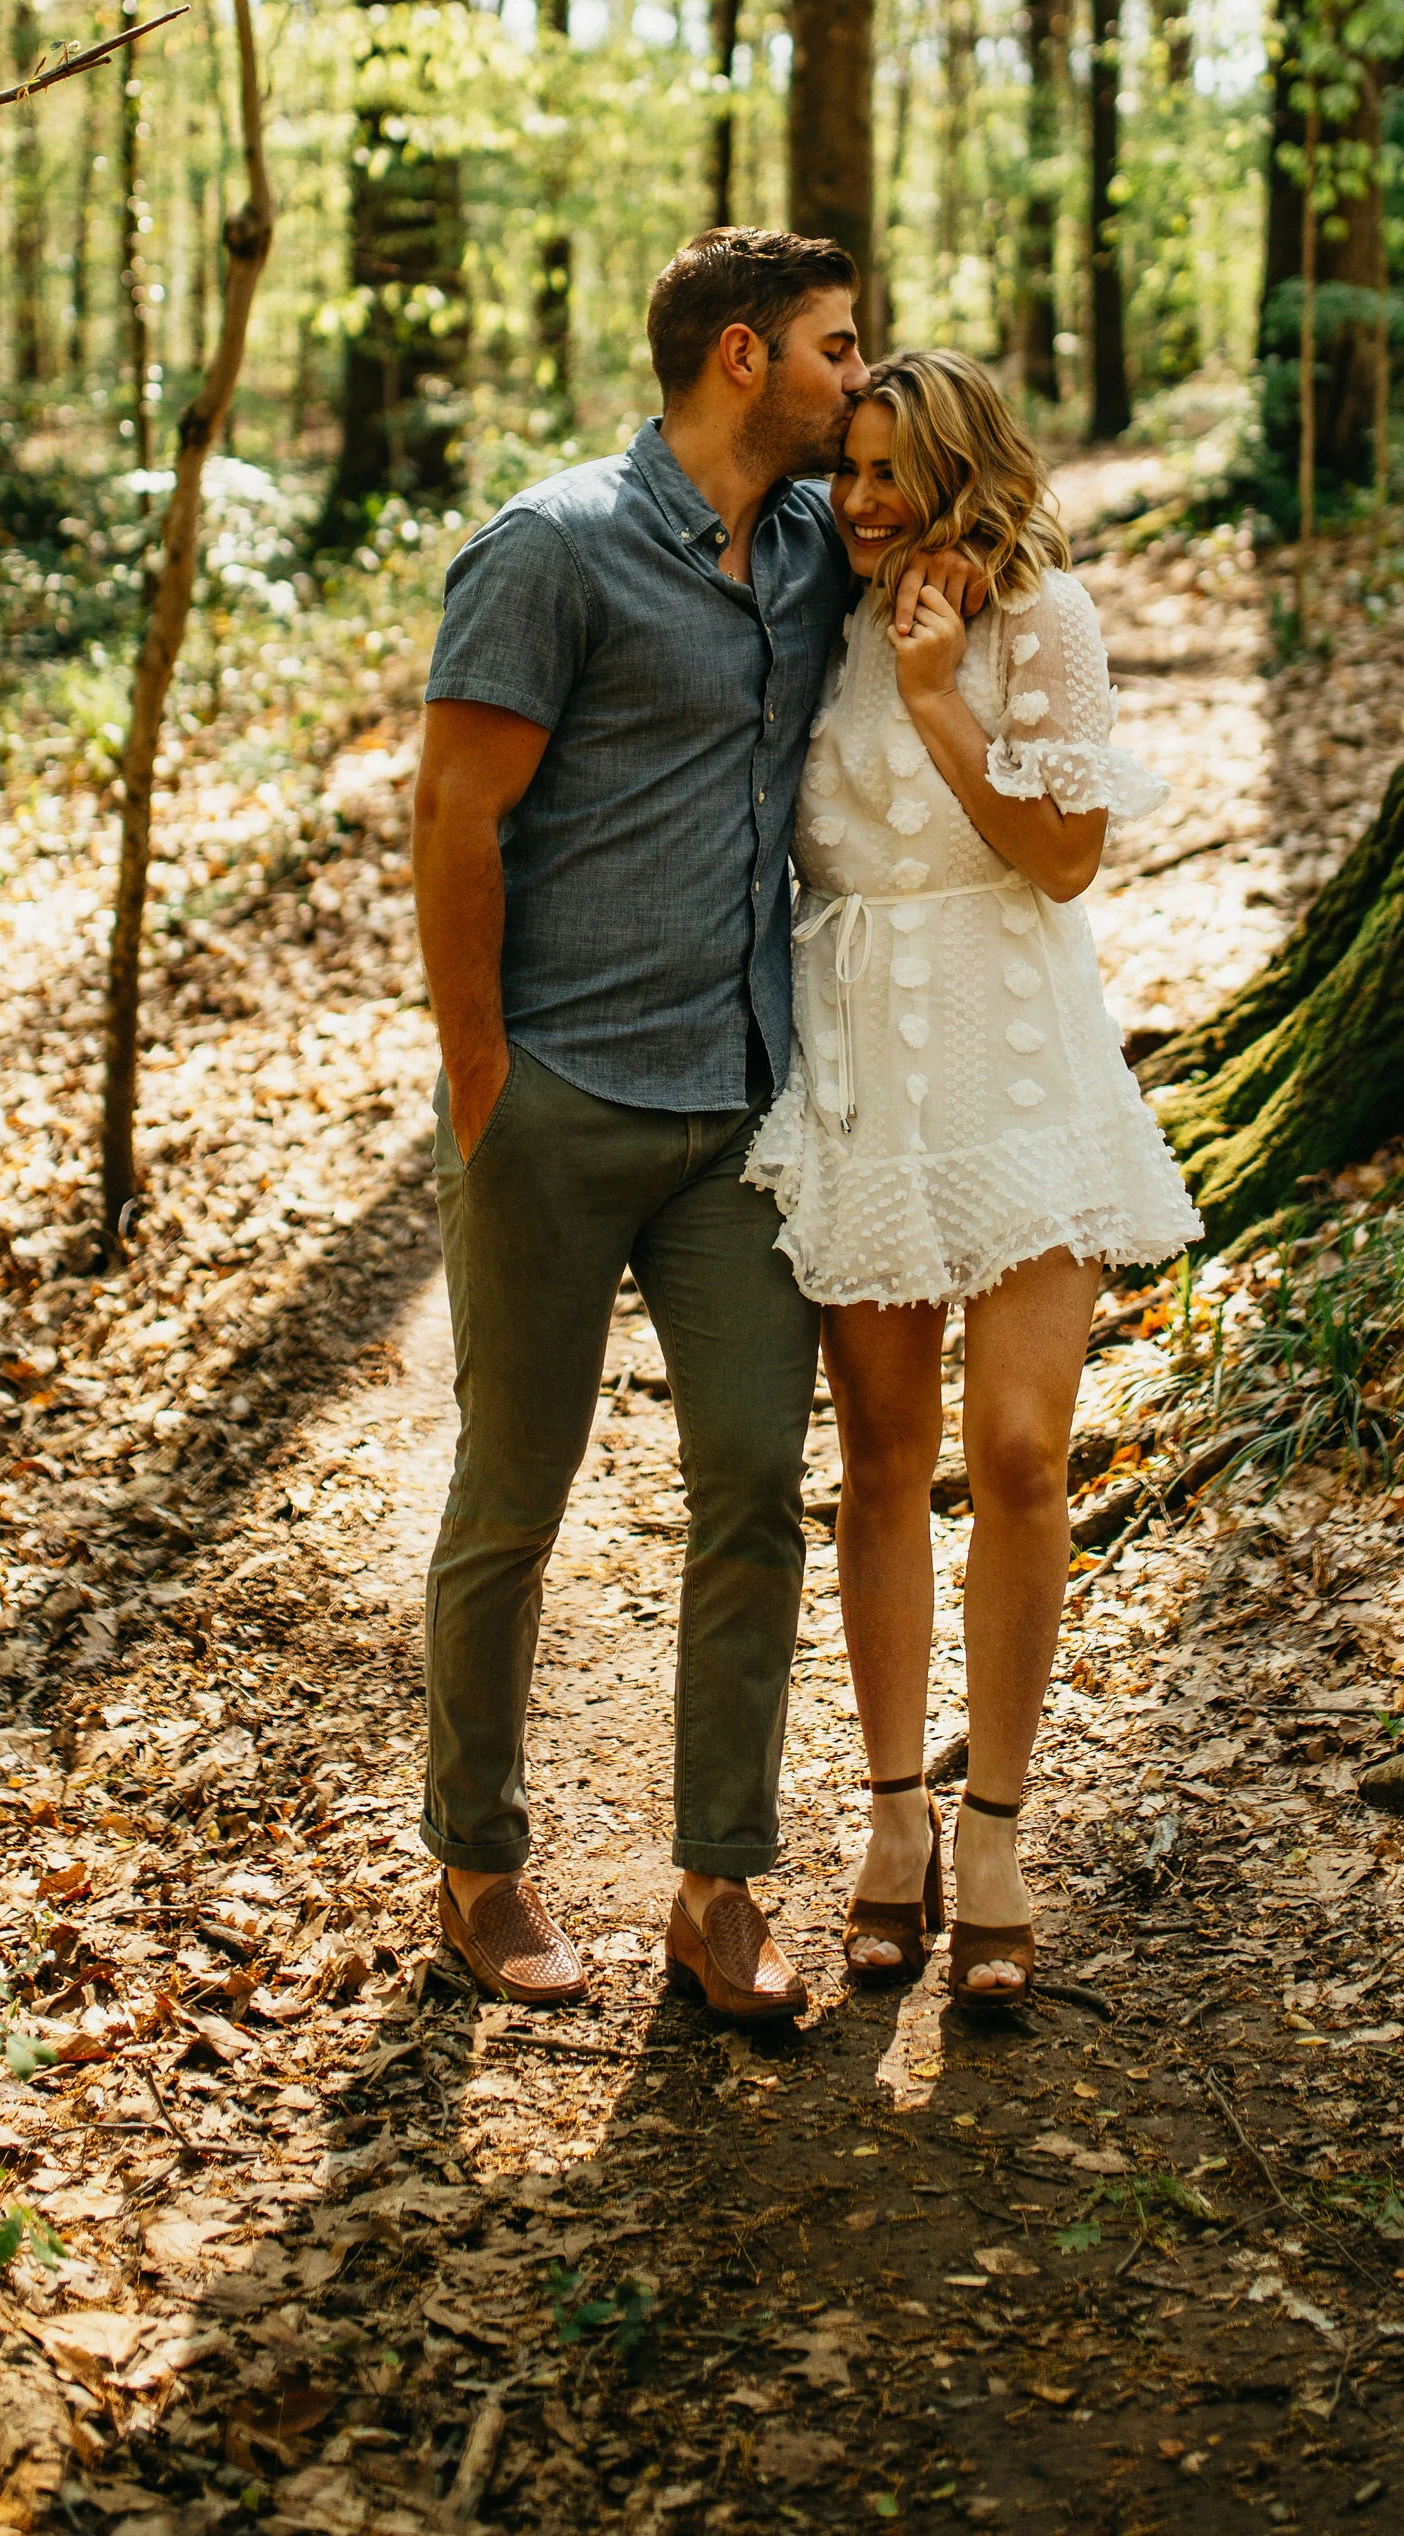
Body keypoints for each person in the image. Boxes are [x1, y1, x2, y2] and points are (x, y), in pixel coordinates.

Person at [409, 227, 975, 2025]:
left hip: (744, 1110)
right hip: (560, 1102)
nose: (857, 379)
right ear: (742, 359)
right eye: (836, 348)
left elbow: (987, 536)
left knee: (754, 1495)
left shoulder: (823, 544)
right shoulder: (551, 550)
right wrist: (483, 1075)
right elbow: (451, 814)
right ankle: (480, 1867)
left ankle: (720, 1886)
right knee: (514, 1497)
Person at [745, 351, 1201, 2005]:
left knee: (1017, 1450)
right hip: (862, 1060)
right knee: (878, 1456)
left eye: (889, 474)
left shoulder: (1046, 623)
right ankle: (888, 1822)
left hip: (1022, 1064)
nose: (857, 500)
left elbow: (1067, 857)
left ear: (961, 479)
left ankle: (996, 1825)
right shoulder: (809, 611)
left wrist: (944, 696)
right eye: (846, 469)